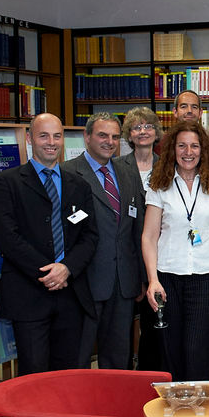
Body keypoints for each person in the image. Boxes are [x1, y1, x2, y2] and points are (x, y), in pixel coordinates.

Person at [0, 113, 98, 375]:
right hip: (29, 294)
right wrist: (50, 271)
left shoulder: (78, 185)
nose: (52, 142)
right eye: (43, 135)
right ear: (29, 139)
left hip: (71, 294)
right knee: (34, 374)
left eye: (57, 136)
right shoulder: (7, 182)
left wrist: (67, 268)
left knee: (68, 374)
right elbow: (7, 238)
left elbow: (90, 236)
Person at [142, 121, 209, 381]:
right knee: (170, 350)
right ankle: (174, 410)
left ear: (203, 150)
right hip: (168, 278)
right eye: (182, 145)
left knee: (199, 350)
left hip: (206, 278)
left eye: (194, 146)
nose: (188, 151)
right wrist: (152, 280)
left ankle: (197, 408)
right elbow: (149, 236)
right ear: (172, 149)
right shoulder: (159, 185)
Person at [62, 112, 145, 370]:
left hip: (123, 282)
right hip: (83, 282)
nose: (109, 141)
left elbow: (138, 227)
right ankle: (81, 409)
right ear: (87, 137)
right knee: (79, 356)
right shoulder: (67, 172)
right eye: (102, 135)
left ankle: (115, 407)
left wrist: (141, 276)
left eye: (115, 137)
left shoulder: (128, 173)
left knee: (119, 356)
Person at [119, 107, 167, 372]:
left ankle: (151, 375)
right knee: (123, 329)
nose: (143, 131)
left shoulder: (167, 165)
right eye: (136, 127)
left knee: (154, 326)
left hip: (159, 256)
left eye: (148, 126)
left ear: (156, 131)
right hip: (127, 255)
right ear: (129, 134)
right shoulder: (117, 166)